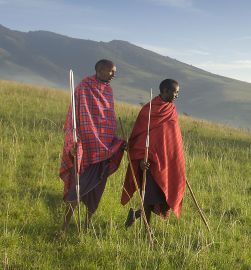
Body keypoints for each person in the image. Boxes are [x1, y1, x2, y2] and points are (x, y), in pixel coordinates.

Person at [59, 59, 126, 232]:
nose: (114, 74)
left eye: (114, 71)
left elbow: (108, 119)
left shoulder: (108, 91)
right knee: (77, 188)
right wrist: (73, 141)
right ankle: (65, 226)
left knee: (97, 188)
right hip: (86, 147)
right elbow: (74, 116)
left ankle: (87, 223)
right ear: (99, 69)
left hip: (105, 148)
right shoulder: (84, 87)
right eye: (111, 71)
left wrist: (116, 143)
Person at [121, 78, 186, 228]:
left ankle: (136, 214)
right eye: (175, 92)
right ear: (165, 91)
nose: (176, 96)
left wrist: (175, 159)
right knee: (148, 196)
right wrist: (142, 158)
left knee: (159, 197)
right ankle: (147, 230)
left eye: (178, 93)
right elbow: (139, 136)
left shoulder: (172, 110)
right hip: (148, 162)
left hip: (165, 161)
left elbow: (172, 138)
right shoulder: (148, 110)